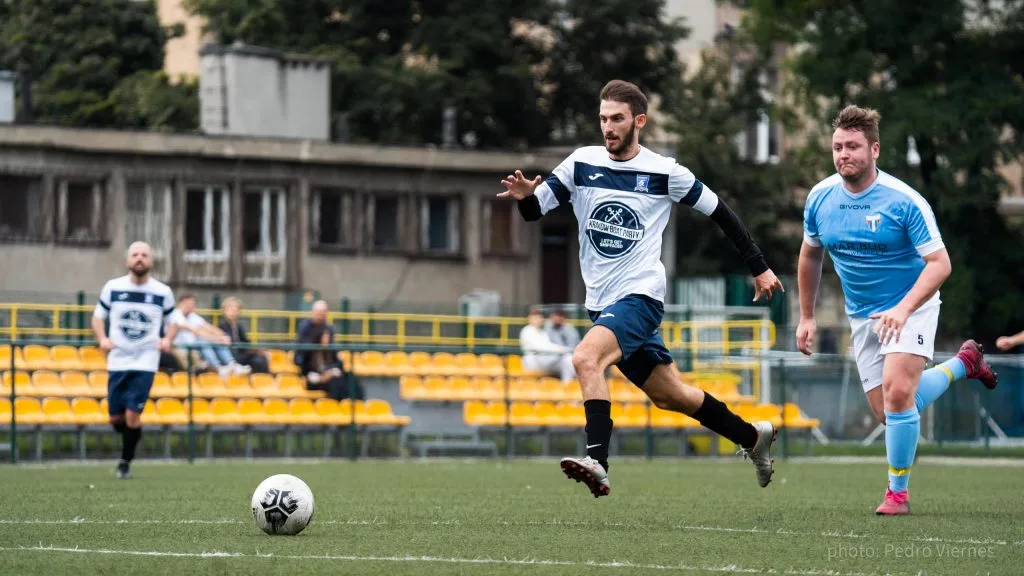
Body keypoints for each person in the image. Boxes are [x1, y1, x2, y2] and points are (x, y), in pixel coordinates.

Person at [498, 79, 784, 498]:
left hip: (640, 297)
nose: (608, 127)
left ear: (639, 121)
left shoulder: (665, 172)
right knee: (671, 396)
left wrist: (758, 267)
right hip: (602, 305)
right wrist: (525, 197)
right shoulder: (581, 163)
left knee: (584, 358)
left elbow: (721, 213)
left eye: (617, 119)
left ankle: (597, 459)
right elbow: (535, 210)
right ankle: (750, 436)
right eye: (602, 119)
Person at [796, 104, 999, 515]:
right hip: (862, 313)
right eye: (837, 147)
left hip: (912, 304)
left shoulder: (905, 201)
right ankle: (964, 363)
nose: (843, 155)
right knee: (891, 411)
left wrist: (904, 310)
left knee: (899, 392)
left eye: (853, 146)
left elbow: (940, 264)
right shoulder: (820, 198)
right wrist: (807, 315)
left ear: (875, 150)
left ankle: (897, 494)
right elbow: (810, 256)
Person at [91, 241, 177, 479]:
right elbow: (98, 318)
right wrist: (103, 338)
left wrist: (167, 339)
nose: (140, 258)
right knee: (115, 418)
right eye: (135, 254)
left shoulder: (162, 291)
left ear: (151, 261)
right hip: (118, 360)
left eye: (144, 255)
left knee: (132, 414)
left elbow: (174, 321)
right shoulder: (113, 287)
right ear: (128, 260)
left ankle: (125, 462)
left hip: (146, 360)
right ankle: (133, 436)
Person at [294, 300, 362, 400]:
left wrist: (335, 370)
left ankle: (354, 408)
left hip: (329, 371)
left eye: (323, 312)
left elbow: (335, 359)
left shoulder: (329, 330)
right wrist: (324, 376)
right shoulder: (305, 329)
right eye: (319, 312)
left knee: (351, 379)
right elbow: (301, 360)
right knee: (336, 383)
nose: (321, 315)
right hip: (314, 375)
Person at [170, 294, 249, 377]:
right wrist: (217, 338)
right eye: (189, 303)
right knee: (205, 342)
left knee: (215, 342)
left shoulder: (192, 316)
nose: (192, 306)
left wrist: (223, 335)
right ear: (181, 303)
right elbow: (197, 331)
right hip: (180, 346)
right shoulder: (176, 315)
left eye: (193, 303)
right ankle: (217, 367)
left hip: (193, 345)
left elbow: (208, 327)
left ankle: (232, 364)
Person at [519, 308, 576, 383]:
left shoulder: (542, 332)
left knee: (568, 359)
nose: (537, 320)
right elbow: (542, 347)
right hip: (533, 361)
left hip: (544, 360)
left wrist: (564, 351)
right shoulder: (527, 331)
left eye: (539, 317)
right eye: (535, 317)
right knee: (567, 358)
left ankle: (568, 385)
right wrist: (564, 350)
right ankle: (567, 386)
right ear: (529, 319)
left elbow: (549, 346)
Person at [218, 297, 270, 374]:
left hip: (241, 356)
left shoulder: (238, 327)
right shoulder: (222, 327)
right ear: (224, 310)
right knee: (258, 358)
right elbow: (231, 348)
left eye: (236, 309)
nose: (234, 311)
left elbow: (246, 343)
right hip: (230, 358)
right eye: (230, 308)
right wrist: (254, 352)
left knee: (260, 358)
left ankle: (264, 381)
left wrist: (257, 350)